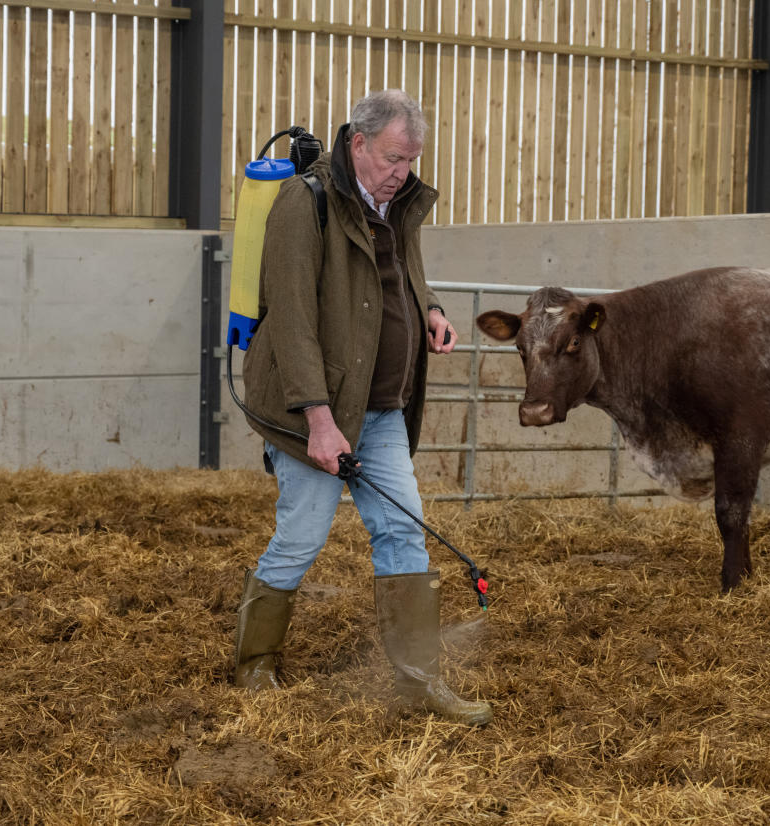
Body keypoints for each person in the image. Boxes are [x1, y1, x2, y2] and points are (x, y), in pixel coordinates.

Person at [233, 89, 492, 726]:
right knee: (300, 537)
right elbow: (292, 320)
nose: (403, 172)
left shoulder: (395, 202)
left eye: (411, 160)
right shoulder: (306, 203)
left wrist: (429, 309)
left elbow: (406, 265)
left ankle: (418, 681)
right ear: (358, 143)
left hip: (381, 406)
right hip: (313, 411)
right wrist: (319, 421)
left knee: (403, 530)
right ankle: (254, 667)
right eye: (393, 158)